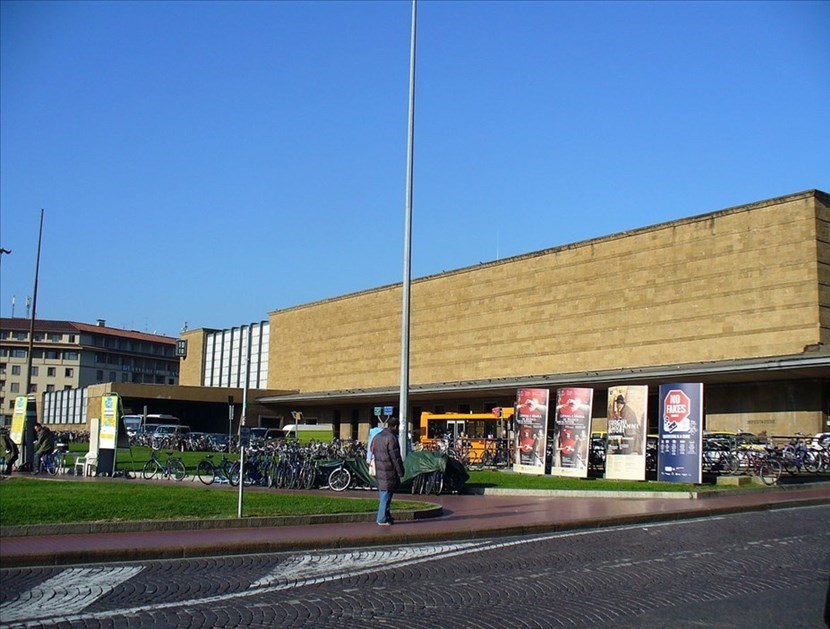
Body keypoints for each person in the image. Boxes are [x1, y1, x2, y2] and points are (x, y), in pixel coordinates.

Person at [370, 416, 405, 526]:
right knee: (386, 495)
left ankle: (387, 516)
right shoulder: (391, 438)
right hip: (389, 470)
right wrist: (400, 472)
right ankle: (381, 518)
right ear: (395, 426)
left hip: (379, 468)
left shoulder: (378, 436)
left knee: (384, 493)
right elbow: (396, 457)